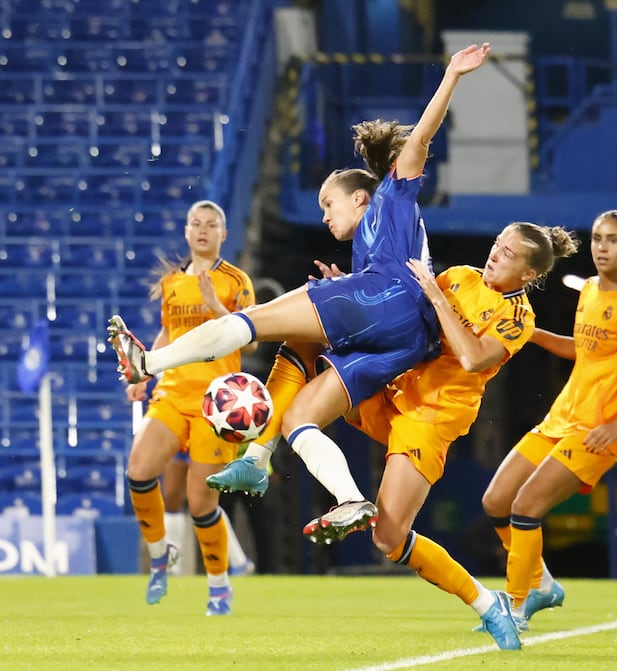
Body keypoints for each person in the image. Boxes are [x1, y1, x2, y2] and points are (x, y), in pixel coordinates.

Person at [110, 42, 492, 542]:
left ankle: (150, 366)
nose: (324, 216)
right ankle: (347, 497)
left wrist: (452, 77)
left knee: (257, 318)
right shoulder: (376, 243)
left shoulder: (391, 196)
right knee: (300, 415)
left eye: (328, 204)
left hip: (387, 298)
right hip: (406, 338)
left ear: (360, 196)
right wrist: (344, 287)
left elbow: (419, 139)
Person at [214, 221, 578, 650]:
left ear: (529, 275)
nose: (495, 254)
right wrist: (348, 297)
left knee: (388, 537)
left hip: (430, 418)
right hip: (393, 386)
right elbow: (403, 314)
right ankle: (262, 455)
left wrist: (437, 297)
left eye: (509, 254)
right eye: (497, 244)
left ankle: (486, 602)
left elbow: (473, 357)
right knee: (308, 339)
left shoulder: (518, 318)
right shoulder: (460, 276)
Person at [480, 209, 617, 630]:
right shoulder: (587, 289)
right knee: (495, 502)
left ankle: (513, 607)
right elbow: (583, 350)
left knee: (526, 506)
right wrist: (532, 334)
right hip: (560, 419)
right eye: (599, 239)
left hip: (595, 433)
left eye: (614, 240)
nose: (603, 247)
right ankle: (542, 585)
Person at [122, 199, 256, 616]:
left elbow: (251, 340)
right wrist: (144, 372)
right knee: (139, 471)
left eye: (210, 224)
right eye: (195, 224)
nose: (202, 230)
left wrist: (218, 308)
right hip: (173, 393)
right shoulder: (171, 283)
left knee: (201, 504)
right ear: (186, 232)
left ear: (223, 234)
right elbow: (168, 333)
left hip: (217, 404)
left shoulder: (236, 280)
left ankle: (219, 586)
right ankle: (161, 555)